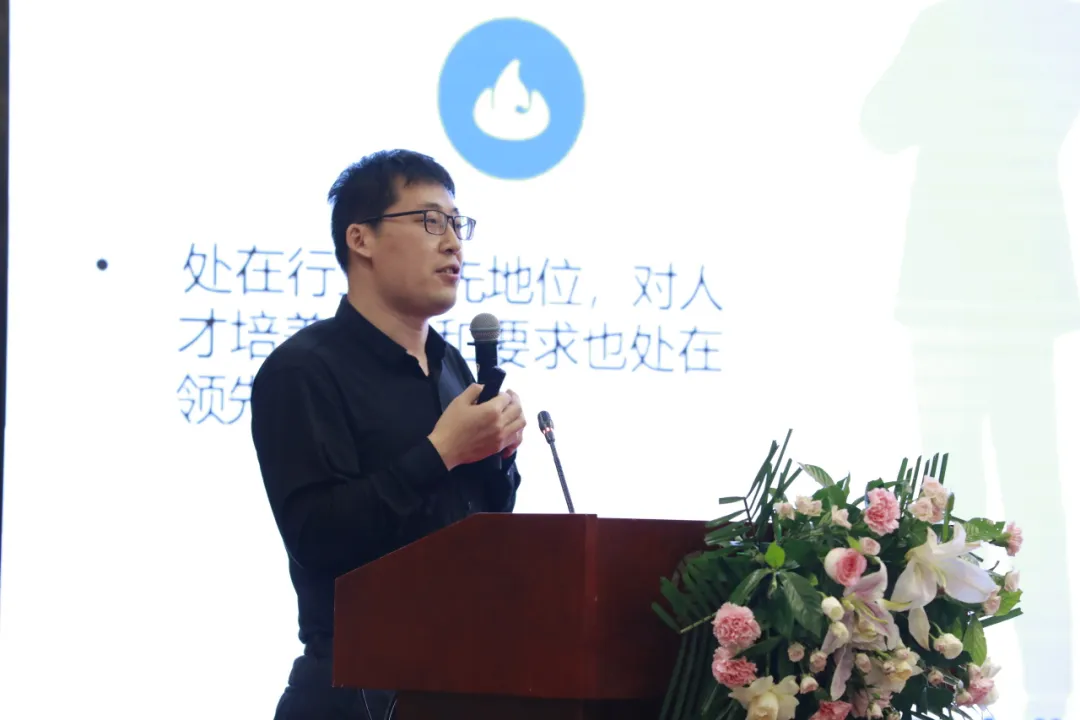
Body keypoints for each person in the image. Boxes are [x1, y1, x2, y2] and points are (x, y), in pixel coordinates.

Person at [250, 149, 527, 720]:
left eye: (458, 224)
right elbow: (318, 537)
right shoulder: (304, 370)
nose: (453, 243)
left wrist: (497, 457)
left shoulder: (451, 365)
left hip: (459, 684)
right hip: (353, 692)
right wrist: (441, 452)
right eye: (430, 221)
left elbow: (476, 528)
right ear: (361, 239)